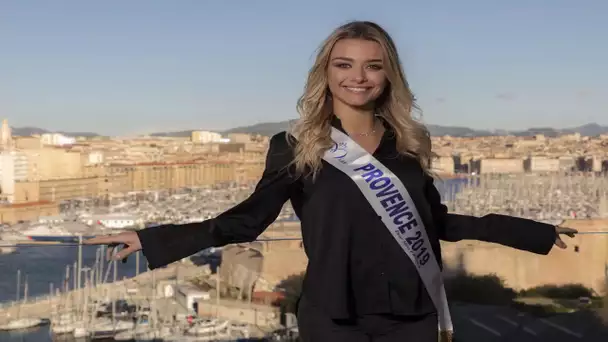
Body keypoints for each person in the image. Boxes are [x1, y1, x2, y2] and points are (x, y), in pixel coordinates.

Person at [85, 20, 577, 342]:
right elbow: (247, 220)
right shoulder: (296, 143)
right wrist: (149, 237)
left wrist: (531, 231)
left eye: (372, 65)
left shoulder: (407, 142)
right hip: (332, 314)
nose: (358, 77)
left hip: (411, 312)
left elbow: (436, 221)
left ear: (389, 76)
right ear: (327, 72)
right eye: (345, 64)